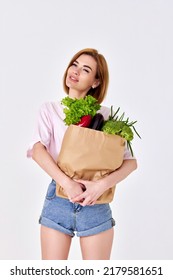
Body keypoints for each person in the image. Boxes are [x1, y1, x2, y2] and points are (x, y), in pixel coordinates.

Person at [27, 48, 137, 260]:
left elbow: (130, 163)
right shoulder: (49, 110)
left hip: (95, 200)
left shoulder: (106, 116)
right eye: (74, 65)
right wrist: (67, 183)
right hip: (59, 197)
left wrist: (100, 186)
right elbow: (37, 150)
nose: (75, 71)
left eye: (85, 69)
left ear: (95, 82)